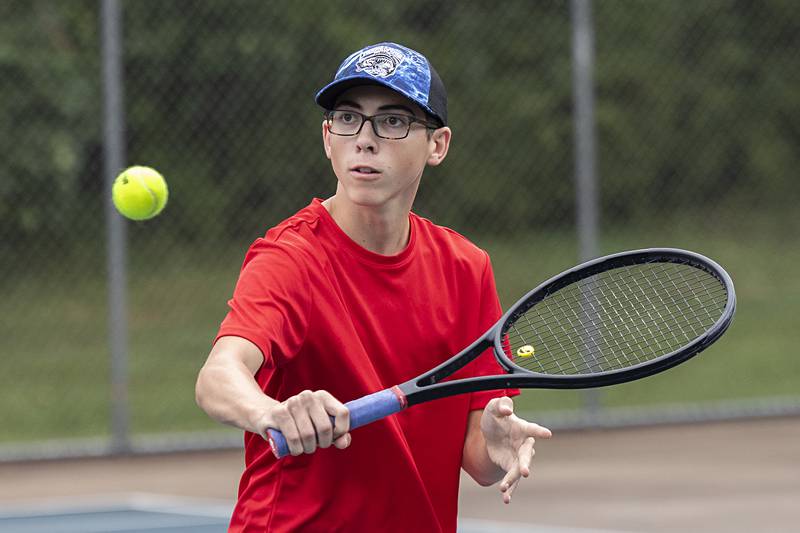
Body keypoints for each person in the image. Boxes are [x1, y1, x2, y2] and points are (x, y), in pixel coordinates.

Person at [195, 42, 552, 533]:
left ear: (437, 144)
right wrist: (273, 412)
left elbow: (478, 456)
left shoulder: (466, 269)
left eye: (392, 121)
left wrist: (494, 442)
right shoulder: (290, 257)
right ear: (327, 137)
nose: (364, 139)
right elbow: (219, 375)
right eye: (347, 118)